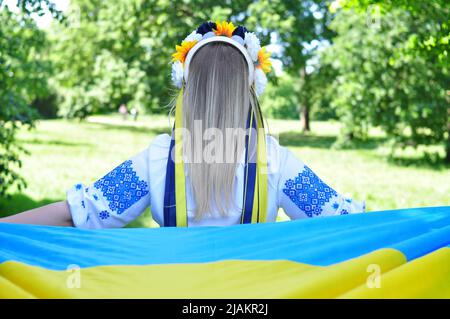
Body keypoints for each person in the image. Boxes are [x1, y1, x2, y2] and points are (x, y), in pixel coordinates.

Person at [0, 21, 365, 228]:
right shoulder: (273, 158)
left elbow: (78, 213)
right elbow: (344, 222)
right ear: (249, 91)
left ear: (187, 90)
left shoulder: (161, 156)